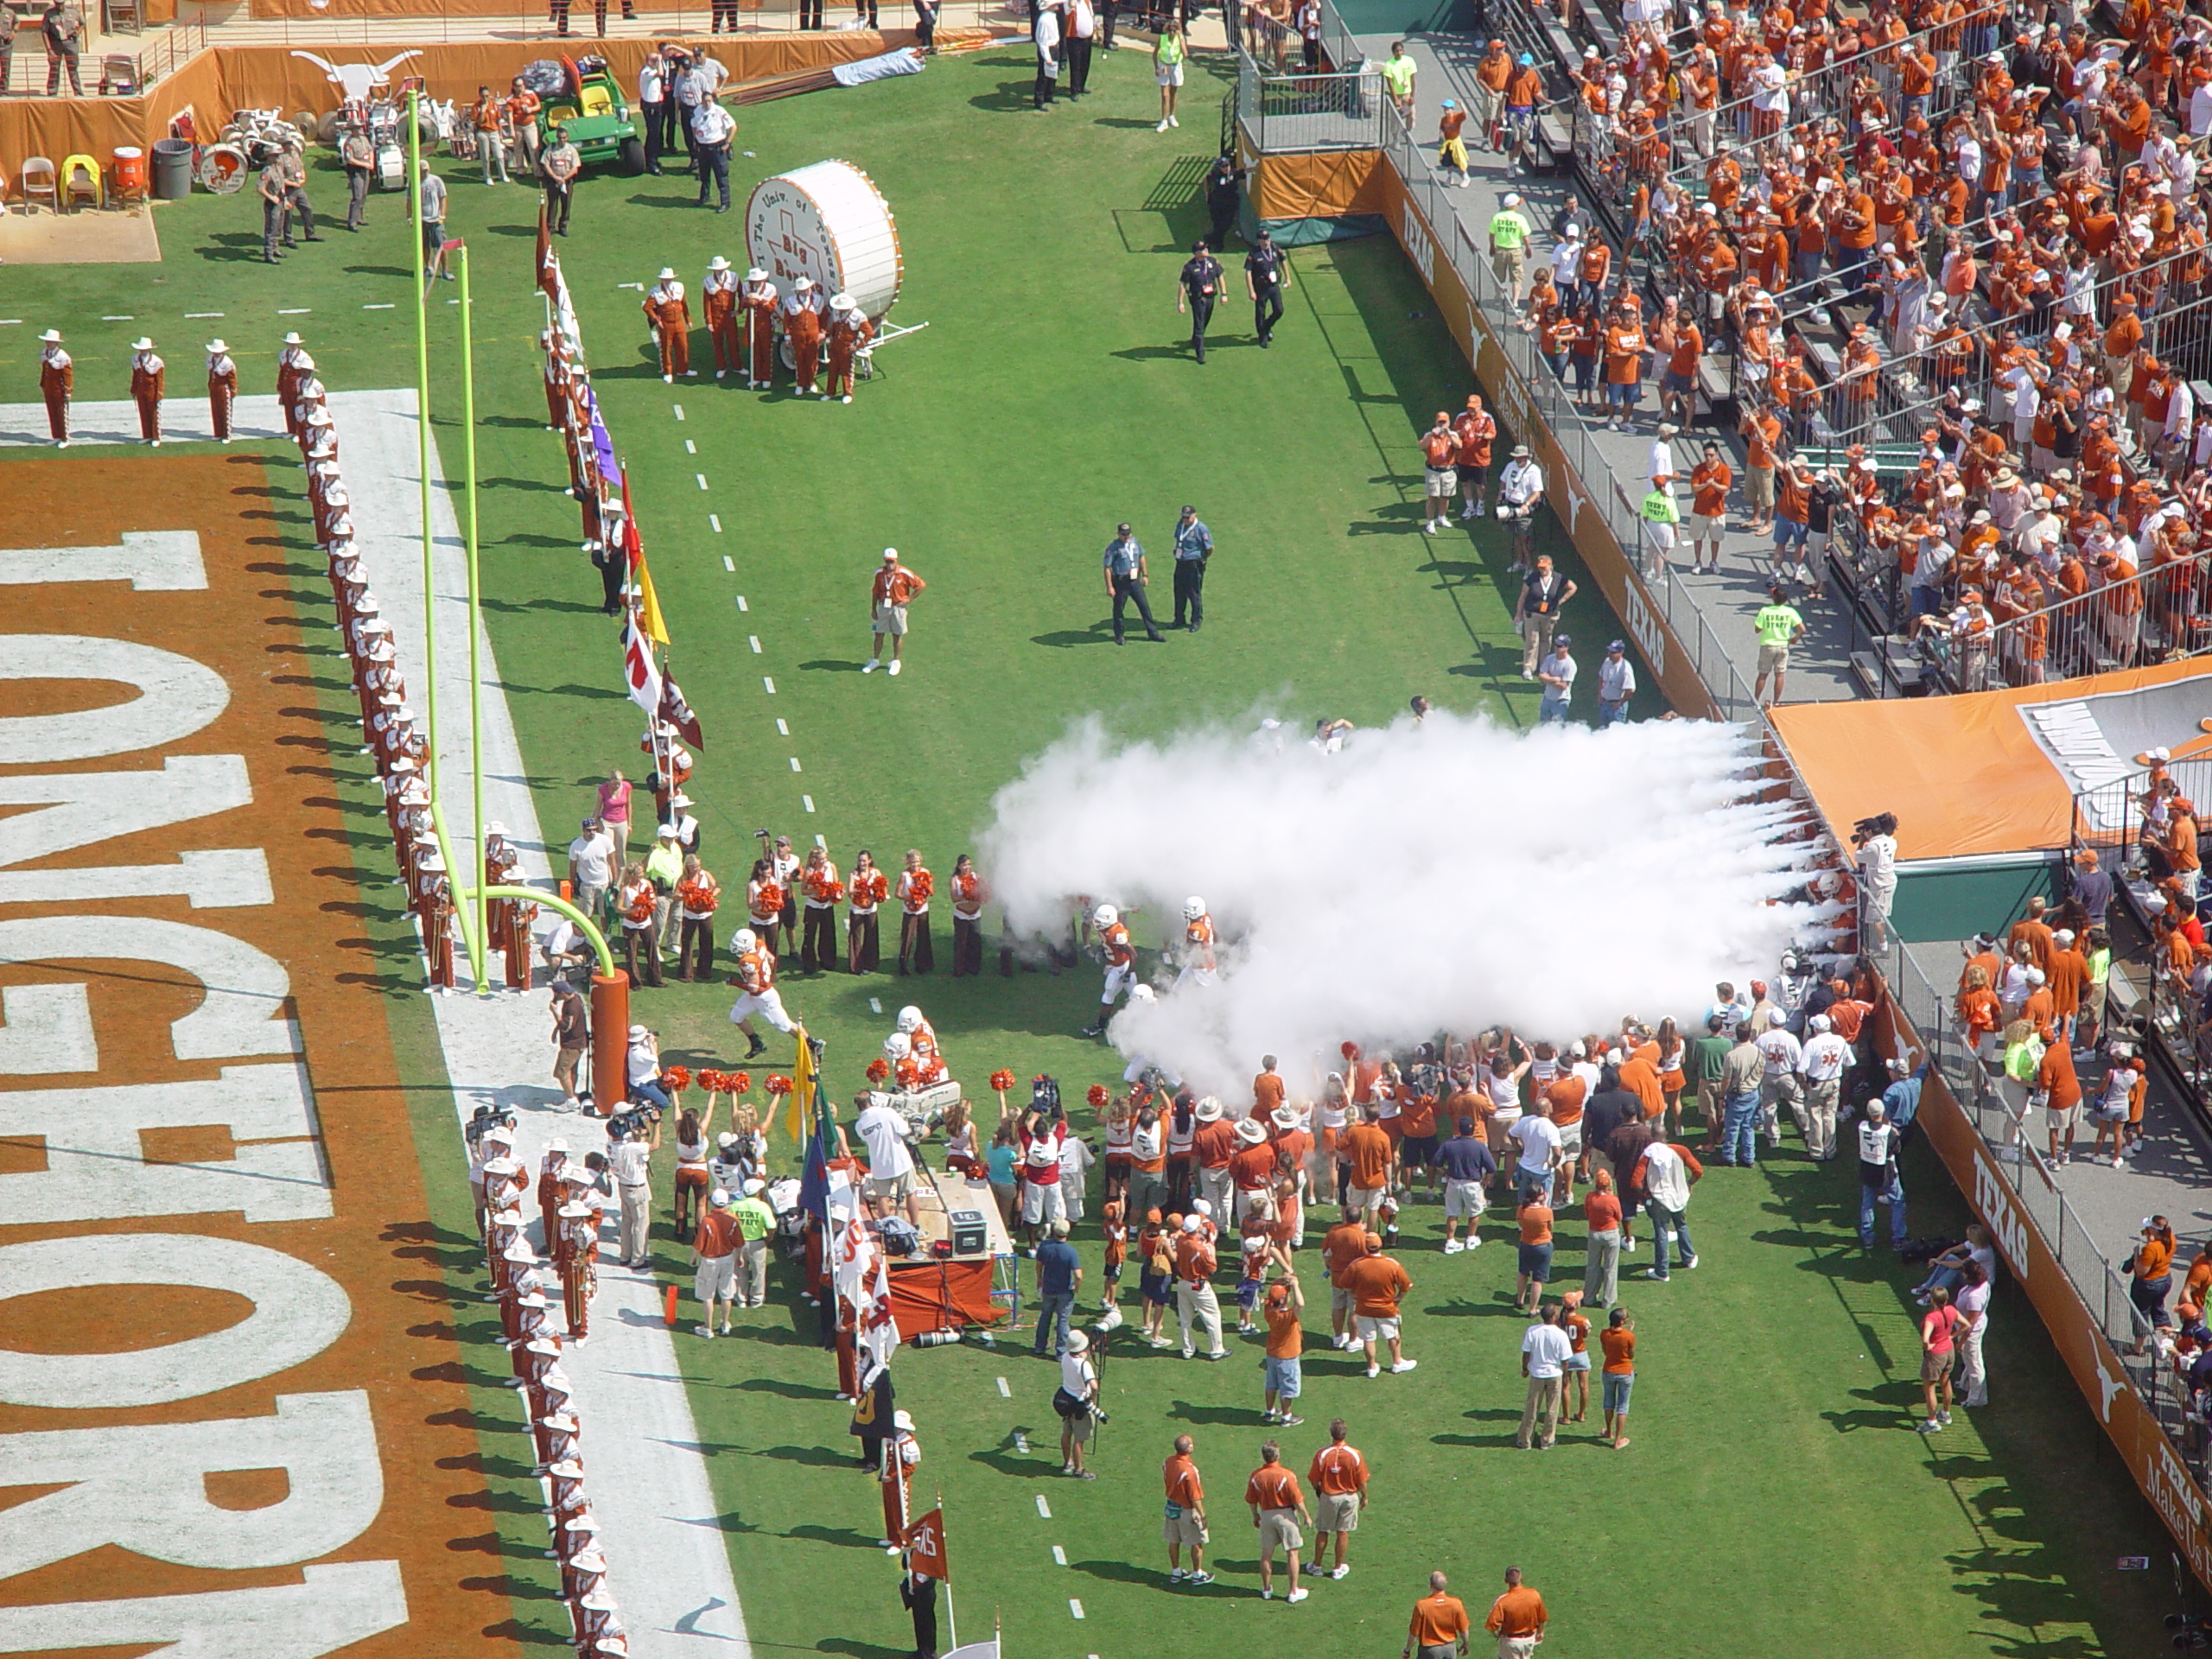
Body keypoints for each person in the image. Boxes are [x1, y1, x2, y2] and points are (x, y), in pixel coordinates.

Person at [1245, 1441, 1312, 1602]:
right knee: (1292, 1553)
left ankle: (1266, 1589)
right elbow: (1297, 1500)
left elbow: (1252, 1500)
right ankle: (1293, 1591)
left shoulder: (1256, 1476)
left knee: (1266, 1554)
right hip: (1286, 1516)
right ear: (1278, 1455)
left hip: (1266, 1516)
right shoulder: (1287, 1475)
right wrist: (1306, 1516)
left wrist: (1255, 1515)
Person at [1343, 1231, 1414, 1377]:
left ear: (1366, 1247)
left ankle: (1371, 1368)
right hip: (1387, 1309)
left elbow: (1345, 1285)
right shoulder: (1391, 1264)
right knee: (1393, 1336)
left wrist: (1354, 1296)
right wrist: (1398, 1299)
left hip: (1364, 1308)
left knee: (1368, 1339)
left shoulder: (1356, 1265)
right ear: (1380, 1245)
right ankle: (1397, 1363)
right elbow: (1405, 1286)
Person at [1634, 1136, 1700, 1280]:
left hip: (1659, 1200)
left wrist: (1645, 1196)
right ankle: (1689, 1258)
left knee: (1661, 1233)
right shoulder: (1680, 1150)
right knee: (1681, 1225)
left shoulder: (1647, 1155)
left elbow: (1635, 1181)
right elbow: (1698, 1171)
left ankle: (1662, 1271)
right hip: (1679, 1197)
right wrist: (1689, 1183)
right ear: (1666, 1135)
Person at [725, 926, 797, 1058]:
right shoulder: (758, 945)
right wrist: (768, 975)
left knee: (785, 1025)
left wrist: (734, 982)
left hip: (764, 997)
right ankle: (757, 1044)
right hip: (755, 995)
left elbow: (754, 987)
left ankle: (812, 1043)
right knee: (736, 1016)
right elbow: (771, 959)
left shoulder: (748, 961)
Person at [856, 1090, 923, 1225]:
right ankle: (916, 1226)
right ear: (872, 1101)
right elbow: (904, 1130)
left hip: (880, 1166)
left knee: (882, 1197)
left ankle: (887, 1228)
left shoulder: (859, 1125)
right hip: (901, 1162)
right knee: (910, 1193)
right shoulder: (887, 1112)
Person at [1173, 1212, 1228, 1360]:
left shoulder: (1180, 1241)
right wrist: (1212, 1251)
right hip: (1198, 1285)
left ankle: (1187, 1349)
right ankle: (1217, 1350)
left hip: (1182, 1283)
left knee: (1185, 1319)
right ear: (1197, 1228)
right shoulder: (1200, 1249)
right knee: (1213, 1316)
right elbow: (1212, 1268)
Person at [1437, 1113, 1495, 1254]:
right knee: (1474, 1213)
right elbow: (1492, 1168)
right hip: (1473, 1184)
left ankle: (1450, 1241)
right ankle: (1470, 1238)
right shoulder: (1480, 1146)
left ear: (1459, 1129)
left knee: (1452, 1214)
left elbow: (1436, 1163)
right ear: (1473, 1130)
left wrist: (1445, 1173)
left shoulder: (1448, 1145)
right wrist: (1486, 1181)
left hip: (1454, 1183)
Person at [1516, 1302, 1570, 1449]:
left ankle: (1525, 1440)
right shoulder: (1561, 1335)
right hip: (1555, 1374)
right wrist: (1566, 1377)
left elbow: (1526, 1353)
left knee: (1531, 1408)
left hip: (1537, 1374)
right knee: (1552, 1409)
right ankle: (1547, 1440)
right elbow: (1565, 1360)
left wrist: (1525, 1369)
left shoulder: (1532, 1331)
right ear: (1553, 1317)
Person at [1855, 1096, 1906, 1250]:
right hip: (1886, 1172)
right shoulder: (1888, 1132)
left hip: (1868, 1170)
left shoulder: (1862, 1126)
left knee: (1867, 1204)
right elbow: (1897, 1149)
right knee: (1897, 1202)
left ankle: (1867, 1238)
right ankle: (1898, 1238)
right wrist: (1895, 1133)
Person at [1512, 555, 1574, 679]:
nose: (1542, 570)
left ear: (1551, 565)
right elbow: (1523, 596)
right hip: (1532, 613)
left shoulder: (1558, 578)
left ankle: (1543, 666)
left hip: (1550, 615)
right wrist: (1518, 614)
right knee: (1532, 640)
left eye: (1545, 567)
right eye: (1540, 567)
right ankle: (1528, 667)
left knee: (1546, 640)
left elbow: (1572, 588)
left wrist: (1561, 601)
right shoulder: (1533, 578)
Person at [1102, 522, 1164, 645]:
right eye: (1123, 534)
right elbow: (1107, 567)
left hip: (1135, 580)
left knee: (1144, 607)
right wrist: (1109, 586)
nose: (1126, 536)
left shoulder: (1135, 542)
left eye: (1128, 534)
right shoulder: (1113, 548)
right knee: (1119, 609)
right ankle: (1119, 635)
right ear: (1118, 534)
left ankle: (1153, 633)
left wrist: (1145, 575)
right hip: (1121, 581)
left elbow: (1141, 557)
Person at [867, 548, 925, 675]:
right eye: (887, 561)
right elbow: (875, 592)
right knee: (879, 633)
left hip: (898, 607)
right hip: (883, 606)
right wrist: (873, 609)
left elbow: (921, 585)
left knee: (897, 634)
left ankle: (896, 661)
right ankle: (875, 660)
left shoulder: (904, 573)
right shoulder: (879, 573)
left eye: (892, 562)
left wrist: (909, 599)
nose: (890, 564)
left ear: (896, 560)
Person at [691, 1187, 741, 1337]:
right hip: (727, 1259)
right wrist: (739, 1258)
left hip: (710, 1261)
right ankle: (725, 1323)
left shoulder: (707, 1220)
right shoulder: (733, 1219)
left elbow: (699, 1244)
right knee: (726, 1294)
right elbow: (738, 1243)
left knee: (708, 1295)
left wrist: (692, 1258)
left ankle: (708, 1327)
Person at [1162, 1433, 1211, 1583]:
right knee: (1196, 1541)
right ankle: (1197, 1574)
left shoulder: (1168, 1462)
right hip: (1186, 1509)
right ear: (1189, 1449)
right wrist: (1202, 1516)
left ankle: (1176, 1571)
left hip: (1171, 1506)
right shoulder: (1190, 1470)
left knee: (1173, 1540)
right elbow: (1195, 1497)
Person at [1033, 1216, 1083, 1356]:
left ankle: (1039, 1346)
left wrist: (1039, 1279)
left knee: (1045, 1317)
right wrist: (1076, 1287)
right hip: (1065, 1291)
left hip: (1048, 1289)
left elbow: (1039, 1265)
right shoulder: (1070, 1251)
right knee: (1063, 1321)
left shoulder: (1045, 1247)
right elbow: (1078, 1275)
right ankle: (1061, 1352)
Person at [1261, 1267, 1304, 1425]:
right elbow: (1301, 1304)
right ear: (1284, 1299)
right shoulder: (1287, 1316)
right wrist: (1295, 1285)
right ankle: (1286, 1416)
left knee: (1271, 1384)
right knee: (1288, 1387)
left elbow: (1273, 1290)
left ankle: (1269, 1411)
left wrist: (1282, 1280)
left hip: (1272, 1354)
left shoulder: (1269, 1309)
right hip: (1288, 1356)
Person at [1753, 581, 1806, 706]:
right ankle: (1776, 702)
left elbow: (1757, 629)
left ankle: (1755, 700)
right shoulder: (1790, 612)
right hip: (1783, 646)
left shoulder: (1765, 611)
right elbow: (1802, 629)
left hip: (1768, 646)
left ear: (1774, 597)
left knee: (1763, 674)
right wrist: (1795, 639)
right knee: (1780, 675)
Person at [1056, 1327, 1099, 1477]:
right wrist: (1092, 1400)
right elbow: (1094, 1386)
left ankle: (1067, 1462)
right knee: (1079, 1439)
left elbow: (1077, 1357)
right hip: (1080, 1403)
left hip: (1066, 1399)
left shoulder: (1065, 1356)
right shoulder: (1083, 1365)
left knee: (1066, 1433)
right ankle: (1079, 1470)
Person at [1916, 1286, 1959, 1433]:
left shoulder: (1931, 1317)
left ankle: (1932, 1422)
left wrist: (1928, 1346)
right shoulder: (1951, 1310)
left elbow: (1925, 1340)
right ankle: (1946, 1414)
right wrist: (1952, 1336)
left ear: (1933, 1300)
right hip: (1949, 1350)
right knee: (1946, 1382)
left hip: (1936, 1355)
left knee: (1930, 1388)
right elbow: (1966, 1324)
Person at [1405, 1571, 1471, 1659]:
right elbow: (1463, 1629)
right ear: (1445, 1584)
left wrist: (1407, 1650)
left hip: (1429, 1650)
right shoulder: (1456, 1604)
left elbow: (1414, 1633)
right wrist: (1465, 1644)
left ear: (1431, 1585)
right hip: (1449, 1649)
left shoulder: (1422, 1605)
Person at [1176, 240, 1222, 365]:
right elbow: (1183, 284)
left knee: (1205, 320)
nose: (1207, 251)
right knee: (1199, 324)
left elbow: (1220, 276)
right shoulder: (1189, 267)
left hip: (1210, 297)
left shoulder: (1212, 261)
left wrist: (1224, 293)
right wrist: (1180, 302)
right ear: (1197, 253)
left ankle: (1195, 340)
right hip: (1198, 299)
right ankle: (1200, 353)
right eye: (1203, 250)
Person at [1485, 1566, 1547, 1657]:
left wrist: (1497, 1635)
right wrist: (1540, 1632)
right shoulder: (1534, 1595)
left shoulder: (1503, 1601)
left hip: (1511, 1642)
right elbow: (1542, 1619)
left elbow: (1492, 1625)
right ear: (1521, 1578)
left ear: (1506, 1581)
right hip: (1529, 1640)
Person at [1169, 504, 1212, 631]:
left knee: (1193, 592)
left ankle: (1196, 620)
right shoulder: (1180, 525)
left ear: (1195, 515)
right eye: (1183, 517)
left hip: (1194, 563)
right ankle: (1179, 619)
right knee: (1179, 591)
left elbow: (1210, 548)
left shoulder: (1201, 529)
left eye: (1188, 517)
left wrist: (1201, 559)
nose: (1185, 519)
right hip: (1181, 562)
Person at [1954, 1258, 1989, 1409]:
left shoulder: (1974, 1297)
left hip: (1970, 1333)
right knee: (1969, 1359)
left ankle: (1977, 1399)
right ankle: (1965, 1383)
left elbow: (1971, 1322)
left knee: (1975, 1364)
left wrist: (1961, 1341)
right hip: (1970, 1327)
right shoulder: (1981, 1285)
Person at [549, 980, 591, 1109]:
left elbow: (567, 1027)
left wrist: (554, 1012)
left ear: (562, 993)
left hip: (572, 1045)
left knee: (561, 1072)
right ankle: (571, 1095)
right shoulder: (575, 998)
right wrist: (556, 1031)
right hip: (578, 1042)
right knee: (572, 1070)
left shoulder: (572, 1006)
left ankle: (571, 1100)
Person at [1599, 1306, 1634, 1449]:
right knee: (1622, 1406)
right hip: (1625, 1372)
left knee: (1608, 1402)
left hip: (1608, 1371)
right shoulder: (1628, 1336)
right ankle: (1617, 1440)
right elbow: (1630, 1355)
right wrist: (1629, 1333)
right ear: (1621, 1322)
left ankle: (1608, 1431)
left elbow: (1606, 1351)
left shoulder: (1604, 1334)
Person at [693, 96, 736, 212]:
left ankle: (725, 202)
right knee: (704, 175)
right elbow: (693, 125)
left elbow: (733, 126)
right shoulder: (697, 111)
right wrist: (696, 139)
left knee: (721, 176)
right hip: (703, 148)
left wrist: (728, 143)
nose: (707, 103)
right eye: (705, 101)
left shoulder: (719, 111)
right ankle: (704, 197)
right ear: (701, 101)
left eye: (709, 101)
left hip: (717, 148)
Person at [1246, 229, 1287, 349]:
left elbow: (1283, 260)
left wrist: (1287, 278)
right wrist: (1251, 290)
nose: (1267, 241)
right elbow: (1248, 272)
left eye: (1268, 238)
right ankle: (1262, 337)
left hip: (1273, 285)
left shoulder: (1274, 248)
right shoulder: (1254, 253)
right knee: (1260, 312)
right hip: (1261, 287)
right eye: (1264, 240)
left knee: (1279, 310)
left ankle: (1266, 326)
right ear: (1259, 241)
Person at [1487, 192, 1532, 300]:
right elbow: (1525, 237)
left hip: (1500, 250)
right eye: (1517, 204)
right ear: (1513, 206)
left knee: (1498, 275)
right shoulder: (1520, 218)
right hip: (1515, 250)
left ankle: (1497, 296)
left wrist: (1492, 246)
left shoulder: (1497, 217)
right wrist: (1528, 249)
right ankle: (1515, 301)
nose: (1518, 206)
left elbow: (1492, 234)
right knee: (1517, 277)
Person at [896, 849, 934, 975]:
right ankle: (903, 965)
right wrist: (911, 898)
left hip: (922, 909)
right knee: (907, 937)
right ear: (908, 862)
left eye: (917, 862)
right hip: (909, 910)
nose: (915, 865)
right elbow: (898, 893)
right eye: (912, 863)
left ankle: (922, 965)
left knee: (923, 937)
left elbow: (931, 890)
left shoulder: (925, 872)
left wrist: (924, 892)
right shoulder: (904, 875)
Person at [540, 124, 581, 236]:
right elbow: (545, 165)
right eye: (560, 138)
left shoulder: (571, 150)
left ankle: (563, 226)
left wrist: (564, 179)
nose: (562, 140)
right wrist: (555, 177)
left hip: (567, 182)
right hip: (554, 181)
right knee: (552, 204)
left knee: (566, 204)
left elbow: (575, 168)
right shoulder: (551, 148)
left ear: (567, 138)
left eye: (564, 138)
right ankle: (550, 227)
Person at [416, 161, 451, 282]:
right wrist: (410, 217)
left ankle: (445, 270)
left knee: (441, 245)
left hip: (436, 219)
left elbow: (443, 197)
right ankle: (428, 267)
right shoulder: (415, 183)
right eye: (423, 170)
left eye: (426, 170)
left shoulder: (436, 181)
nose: (425, 172)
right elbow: (409, 199)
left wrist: (442, 215)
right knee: (425, 245)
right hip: (422, 219)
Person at [127, 337, 164, 447]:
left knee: (153, 413)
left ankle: (156, 437)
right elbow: (135, 376)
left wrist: (159, 394)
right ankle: (147, 435)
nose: (142, 351)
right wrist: (133, 389)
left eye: (144, 349)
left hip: (151, 390)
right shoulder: (135, 359)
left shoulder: (156, 361)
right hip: (141, 390)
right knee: (143, 412)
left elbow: (160, 380)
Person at [36, 329, 70, 446]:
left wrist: (68, 390)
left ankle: (65, 439)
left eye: (50, 341)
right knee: (52, 412)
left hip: (59, 389)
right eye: (47, 341)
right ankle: (56, 436)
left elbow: (67, 375)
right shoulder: (44, 353)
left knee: (61, 413)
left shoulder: (62, 356)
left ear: (56, 343)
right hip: (48, 388)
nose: (48, 343)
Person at [1205, 153, 1244, 251]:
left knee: (1226, 223)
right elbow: (1206, 180)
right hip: (1217, 202)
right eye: (1223, 166)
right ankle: (1218, 244)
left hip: (1230, 203)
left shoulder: (1234, 173)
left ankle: (1210, 239)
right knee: (1217, 223)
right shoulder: (1215, 174)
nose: (1226, 168)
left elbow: (1247, 171)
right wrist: (1207, 195)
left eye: (1227, 165)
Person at [41, 0, 79, 94]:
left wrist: (78, 32)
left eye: (61, 4)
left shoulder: (72, 12)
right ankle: (52, 92)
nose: (60, 6)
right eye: (58, 4)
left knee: (73, 68)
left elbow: (83, 22)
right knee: (54, 68)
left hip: (70, 43)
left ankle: (78, 91)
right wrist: (49, 49)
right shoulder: (49, 14)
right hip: (56, 43)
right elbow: (44, 31)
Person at [1536, 635, 1576, 725]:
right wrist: (1554, 679)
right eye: (1556, 645)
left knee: (1558, 728)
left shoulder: (1569, 664)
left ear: (1566, 647)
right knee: (1543, 725)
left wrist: (1547, 679)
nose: (1556, 648)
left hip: (1560, 701)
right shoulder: (1550, 658)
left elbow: (1563, 686)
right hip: (1547, 698)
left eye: (1560, 646)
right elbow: (1541, 676)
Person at [1153, 18, 1184, 130]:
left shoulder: (1179, 39)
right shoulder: (1162, 39)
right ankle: (1164, 120)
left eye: (1174, 31)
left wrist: (1181, 40)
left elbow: (1185, 54)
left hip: (1175, 67)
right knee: (1165, 95)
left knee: (1173, 92)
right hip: (1164, 66)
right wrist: (1157, 68)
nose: (1172, 33)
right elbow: (1155, 54)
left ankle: (1172, 116)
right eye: (1170, 30)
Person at [1594, 639, 1635, 727]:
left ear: (1621, 652)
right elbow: (1601, 677)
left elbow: (1630, 690)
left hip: (1616, 707)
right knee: (1603, 730)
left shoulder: (1625, 668)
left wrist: (1620, 703)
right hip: (1604, 703)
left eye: (1613, 652)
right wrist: (1600, 694)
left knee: (1616, 734)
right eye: (1609, 651)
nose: (1610, 654)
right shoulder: (1607, 661)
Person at [1032, 0, 1060, 108]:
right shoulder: (1044, 20)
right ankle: (1039, 100)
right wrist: (1047, 57)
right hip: (1048, 48)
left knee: (1053, 74)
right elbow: (1042, 42)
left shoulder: (1051, 17)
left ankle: (1049, 94)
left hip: (1054, 47)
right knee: (1043, 75)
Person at [1380, 39, 1415, 124]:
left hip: (1407, 94)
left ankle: (1407, 134)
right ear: (1393, 52)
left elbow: (1413, 79)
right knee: (1395, 120)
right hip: (1396, 95)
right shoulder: (1389, 65)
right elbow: (1390, 83)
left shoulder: (1409, 61)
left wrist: (1412, 96)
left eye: (1401, 50)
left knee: (1411, 116)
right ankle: (1394, 136)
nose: (1399, 53)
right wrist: (1396, 99)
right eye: (1397, 51)